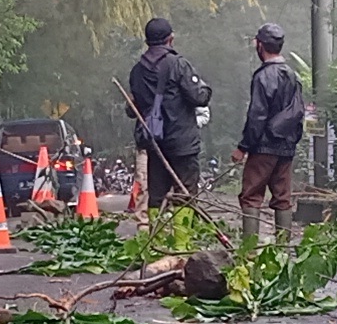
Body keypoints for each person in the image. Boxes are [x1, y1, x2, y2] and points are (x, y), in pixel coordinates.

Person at [126, 17, 212, 208]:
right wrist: (204, 87)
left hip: (154, 143)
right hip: (182, 143)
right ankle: (183, 238)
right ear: (170, 39)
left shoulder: (137, 71)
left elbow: (132, 110)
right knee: (185, 195)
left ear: (147, 41)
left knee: (156, 197)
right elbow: (199, 98)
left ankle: (156, 237)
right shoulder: (179, 65)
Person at [232, 22, 304, 242]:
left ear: (260, 45)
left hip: (263, 147)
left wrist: (243, 147)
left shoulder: (263, 76)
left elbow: (257, 116)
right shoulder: (292, 75)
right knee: (283, 198)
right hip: (286, 147)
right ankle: (283, 253)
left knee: (251, 196)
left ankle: (250, 251)